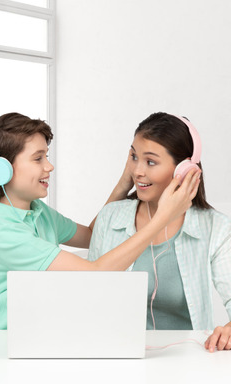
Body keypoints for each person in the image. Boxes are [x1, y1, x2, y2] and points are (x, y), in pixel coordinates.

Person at [0, 112, 199, 331]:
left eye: (46, 156)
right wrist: (162, 219)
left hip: (26, 337)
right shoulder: (2, 232)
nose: (49, 166)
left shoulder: (37, 211)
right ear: (0, 170)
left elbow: (91, 234)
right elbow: (95, 273)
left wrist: (124, 182)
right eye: (38, 159)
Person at [88, 112, 231, 353]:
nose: (138, 171)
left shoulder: (215, 227)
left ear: (183, 171)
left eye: (150, 162)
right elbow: (86, 296)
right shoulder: (110, 217)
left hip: (191, 358)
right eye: (134, 157)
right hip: (115, 354)